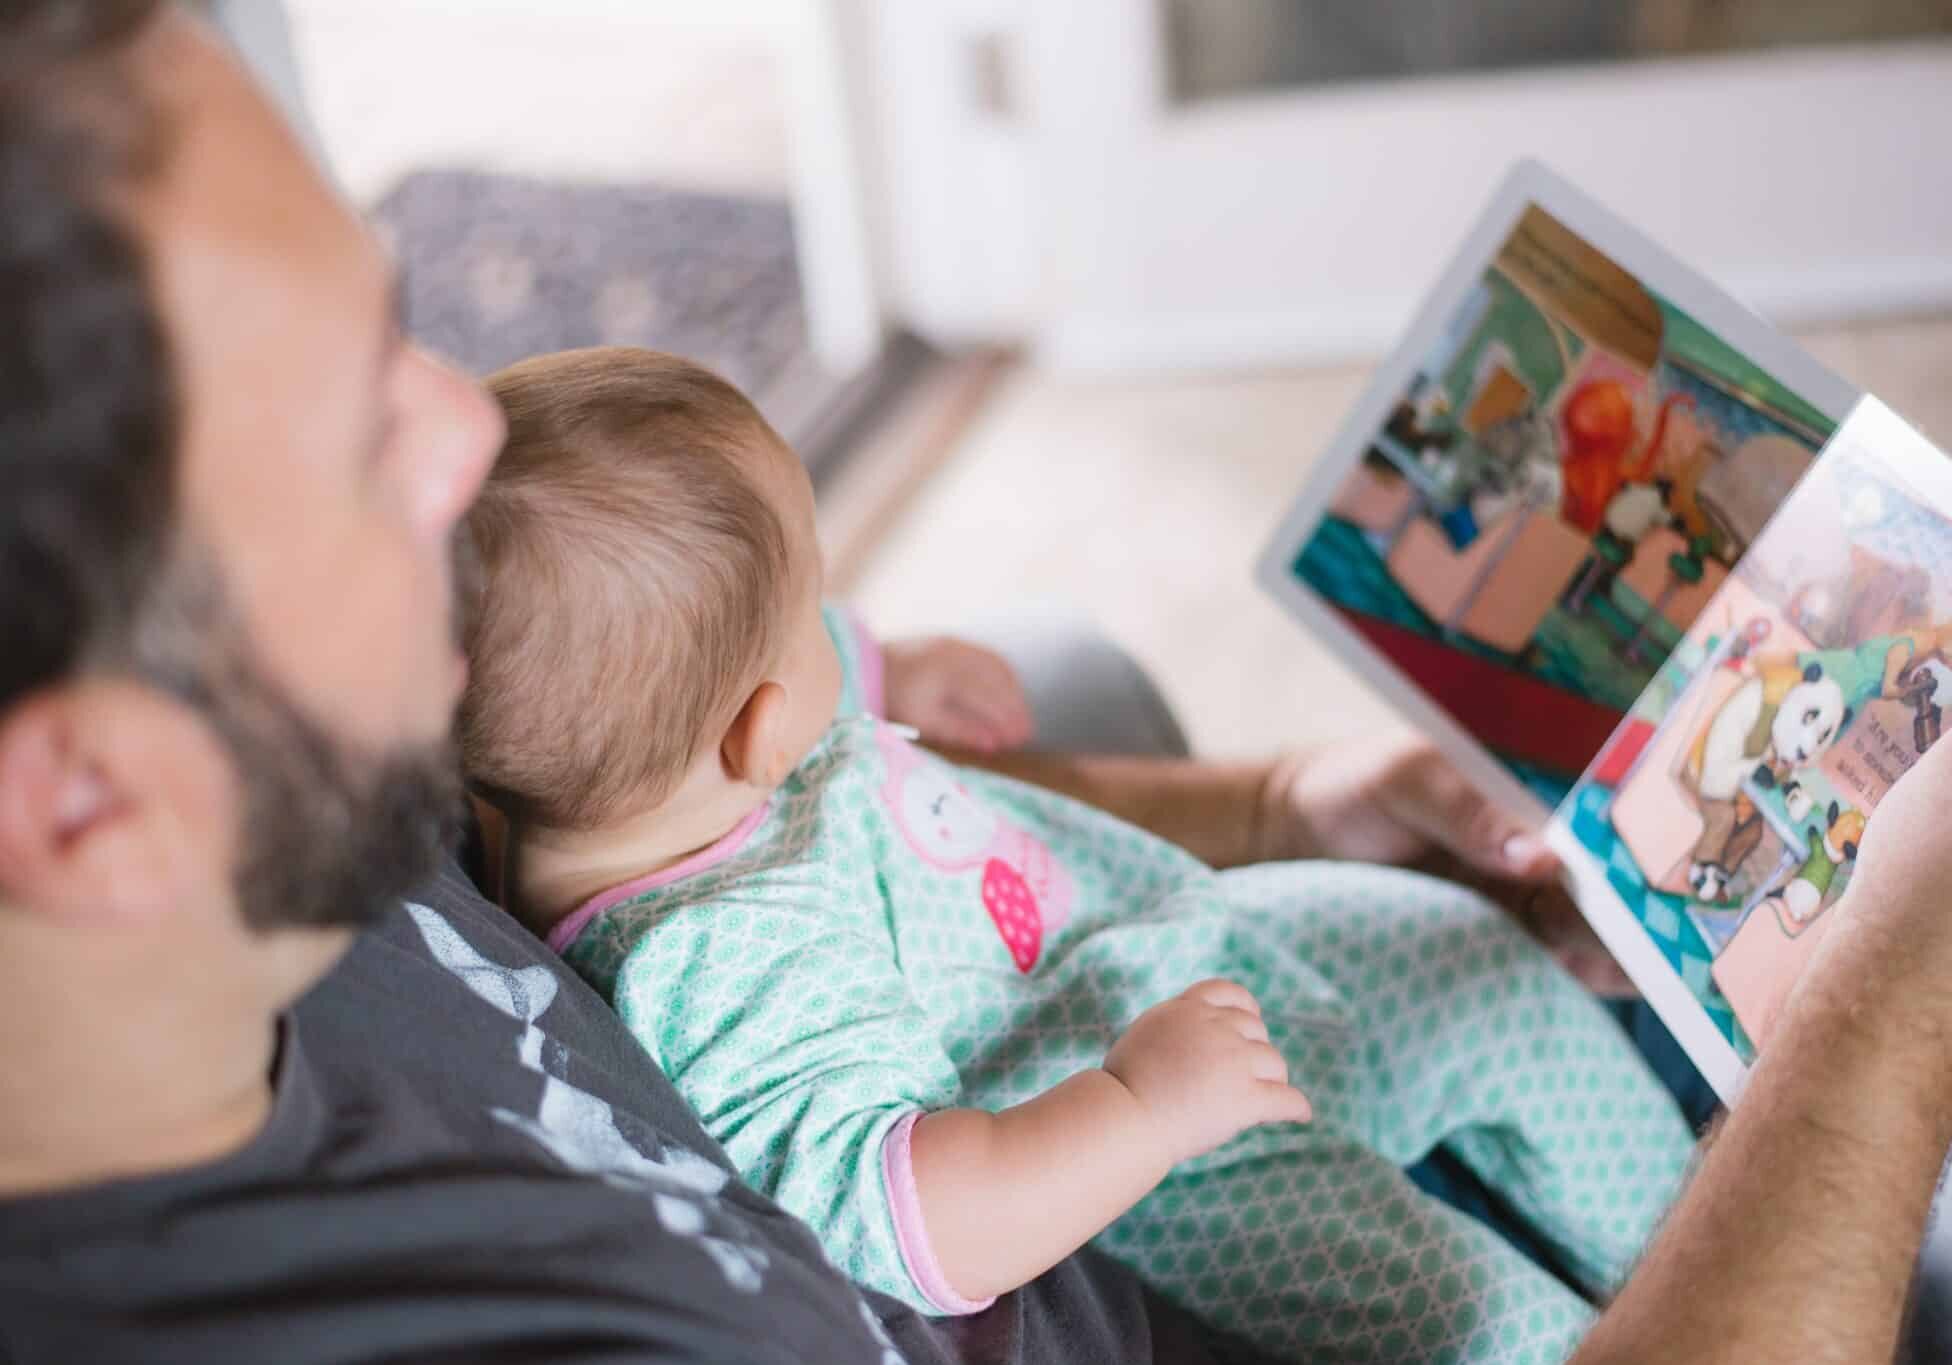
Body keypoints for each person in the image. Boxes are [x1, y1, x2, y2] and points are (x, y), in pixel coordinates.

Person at [1, 4, 1947, 1362]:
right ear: (85, 803)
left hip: (1181, 999)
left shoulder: (350, 747)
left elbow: (827, 804)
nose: (463, 432)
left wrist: (1268, 802)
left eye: (406, 320)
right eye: (355, 438)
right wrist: (1889, 985)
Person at [458, 345, 1692, 1361]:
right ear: (761, 727)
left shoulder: (645, 767)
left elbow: (737, 661)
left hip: (1175, 940)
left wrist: (886, 662)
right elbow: (915, 1219)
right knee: (1482, 1329)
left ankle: (1695, 1243)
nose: (834, 624)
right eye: (814, 609)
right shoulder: (724, 964)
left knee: (1471, 955)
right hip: (1179, 1160)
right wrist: (1139, 1108)